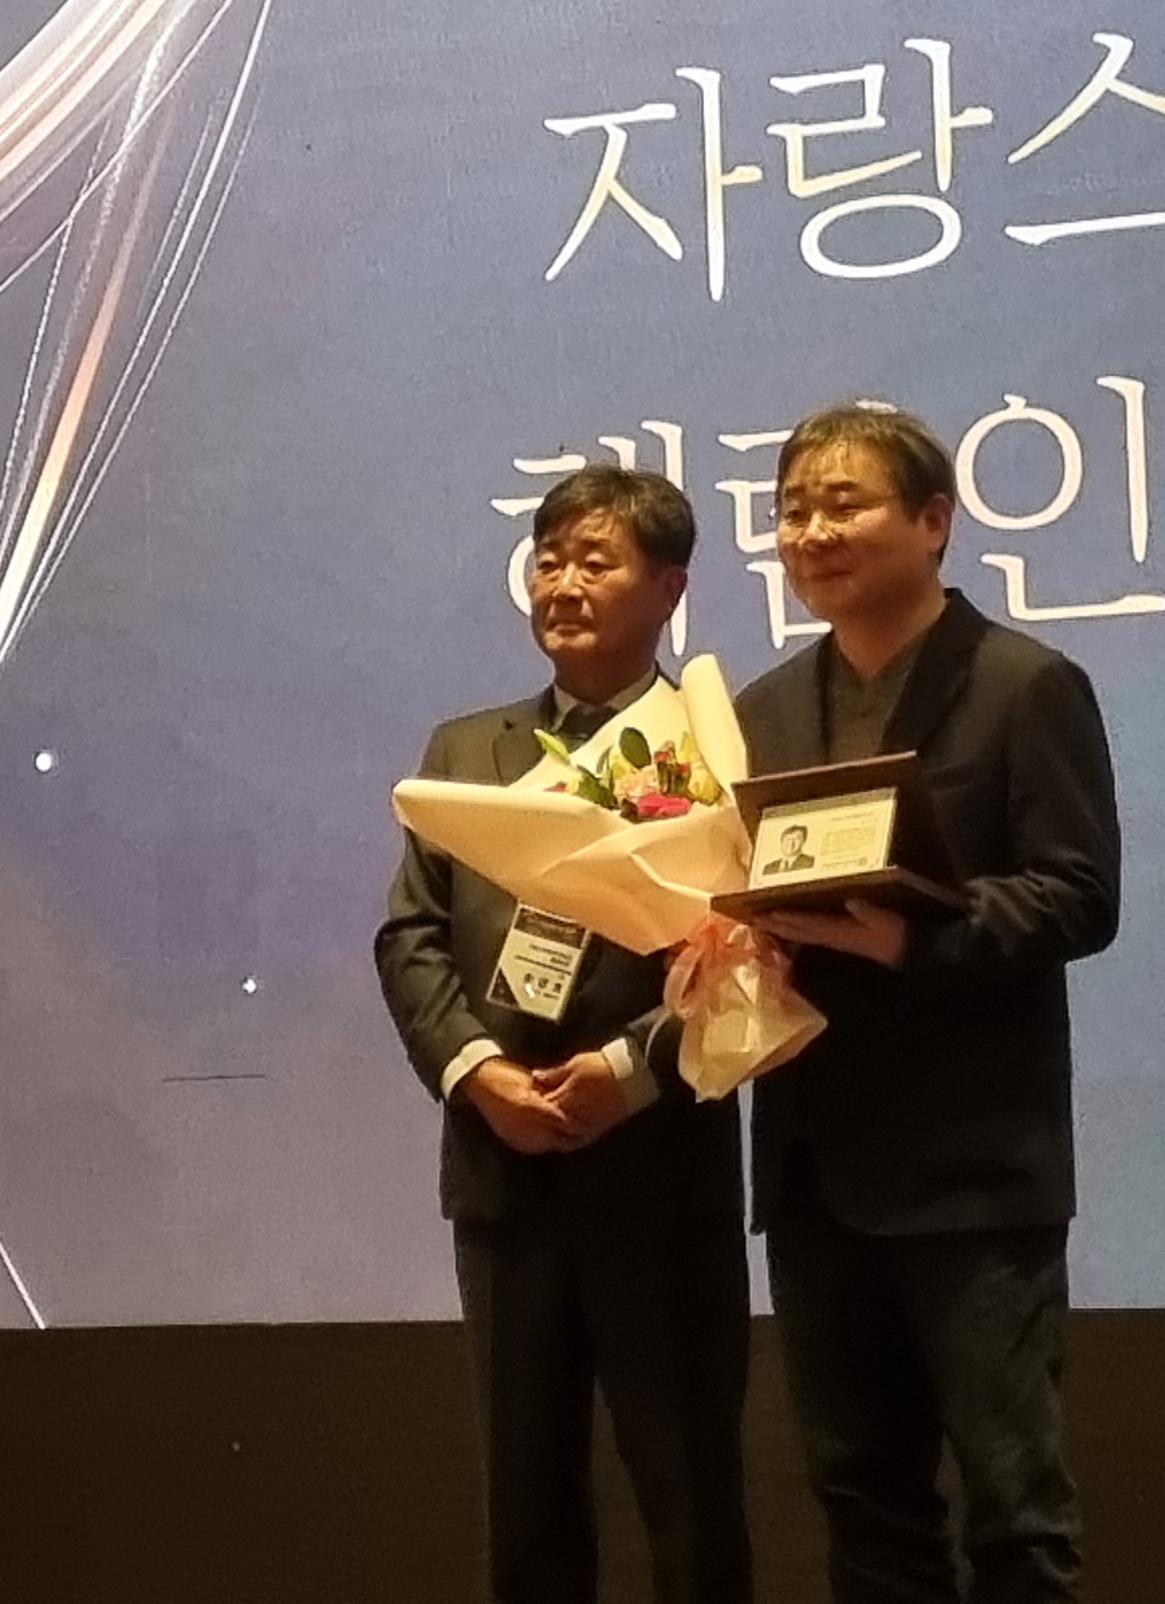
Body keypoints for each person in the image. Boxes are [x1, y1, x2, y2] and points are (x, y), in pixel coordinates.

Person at [735, 402, 1121, 1604]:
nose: (811, 532)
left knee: (1015, 1511)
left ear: (935, 520)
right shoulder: (759, 711)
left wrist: (917, 936)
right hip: (815, 1166)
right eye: (793, 509)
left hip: (971, 1170)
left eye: (843, 504)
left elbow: (1079, 895)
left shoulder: (1022, 684)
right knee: (864, 1501)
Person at [374, 465, 753, 1604]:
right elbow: (411, 938)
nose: (563, 585)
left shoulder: (712, 746)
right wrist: (478, 1070)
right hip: (505, 1173)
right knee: (527, 1504)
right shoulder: (465, 749)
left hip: (658, 1168)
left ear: (669, 589)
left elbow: (748, 953)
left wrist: (629, 1072)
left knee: (689, 1497)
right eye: (549, 560)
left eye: (597, 562)